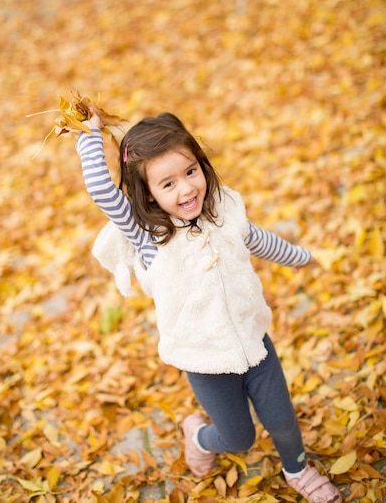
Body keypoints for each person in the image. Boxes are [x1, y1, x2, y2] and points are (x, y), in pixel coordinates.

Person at [70, 109, 343, 503]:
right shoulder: (149, 234)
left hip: (254, 341)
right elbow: (100, 188)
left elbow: (257, 239)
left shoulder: (221, 210)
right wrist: (90, 131)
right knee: (238, 438)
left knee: (282, 420)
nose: (186, 190)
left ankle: (298, 468)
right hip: (205, 361)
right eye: (167, 183)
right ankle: (198, 435)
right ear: (148, 194)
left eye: (190, 172)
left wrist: (300, 256)